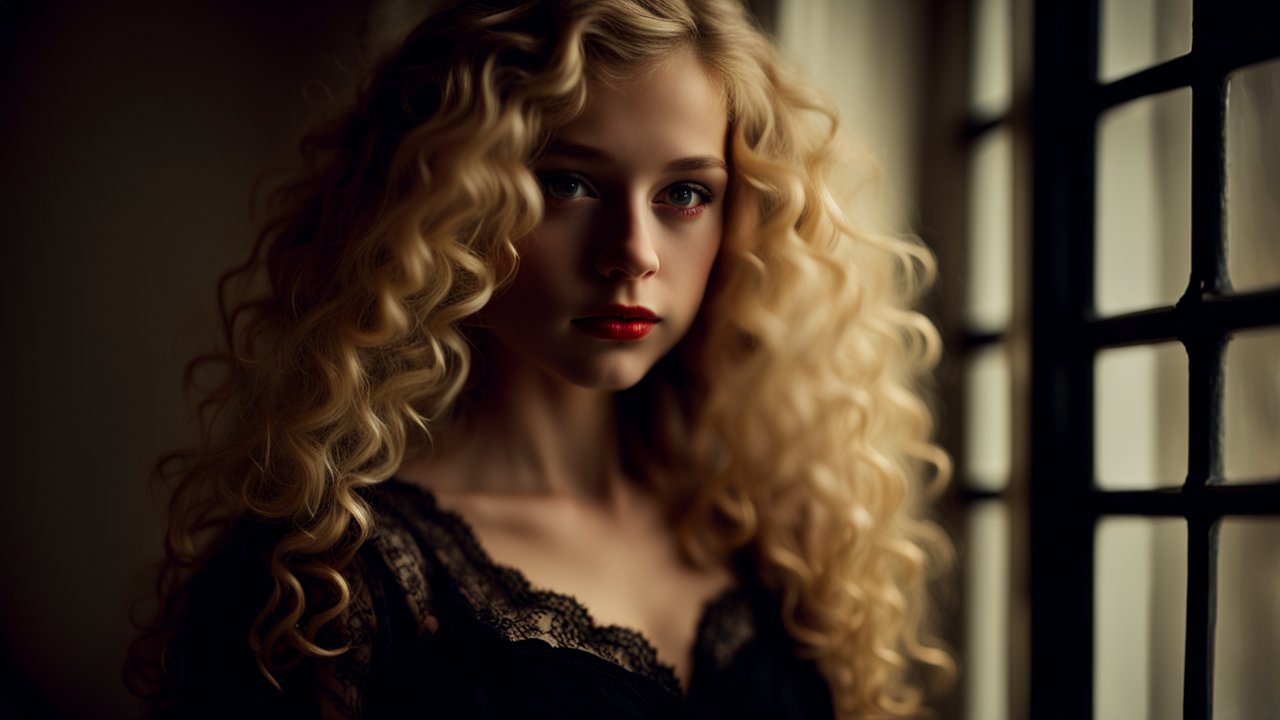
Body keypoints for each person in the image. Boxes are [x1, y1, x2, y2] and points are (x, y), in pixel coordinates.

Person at [128, 0, 954, 717]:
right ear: (448, 203)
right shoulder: (323, 577)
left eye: (686, 194)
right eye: (568, 183)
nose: (632, 253)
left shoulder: (778, 531)